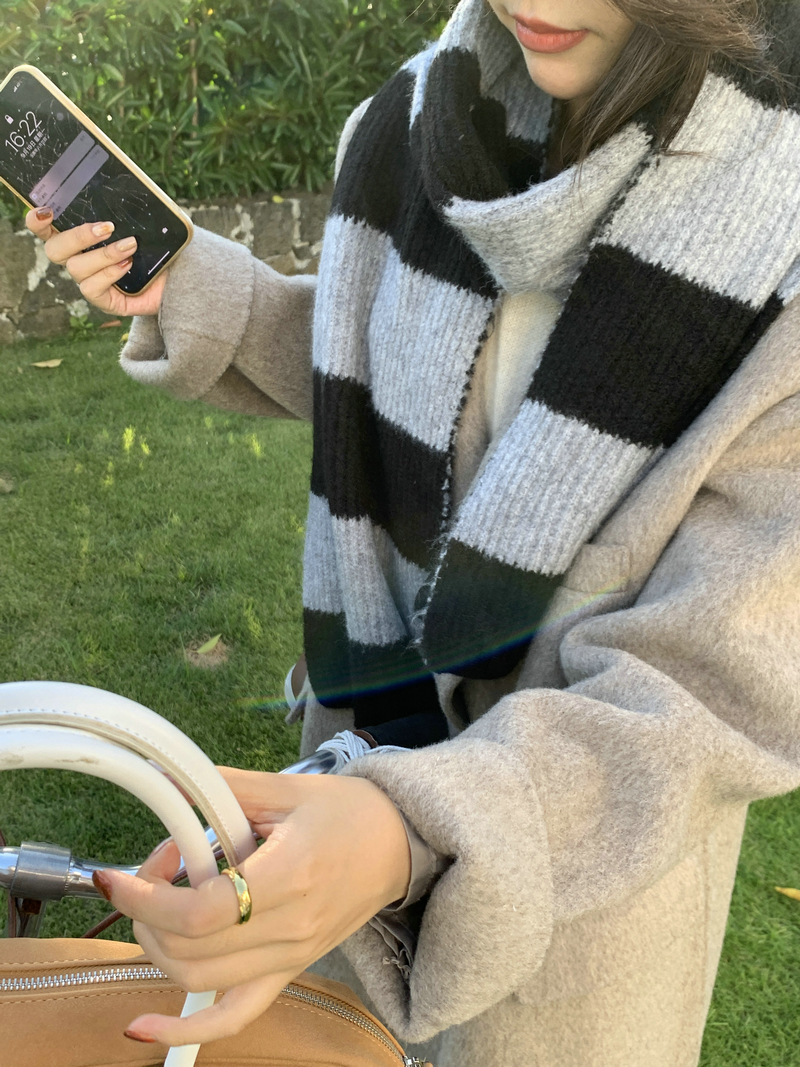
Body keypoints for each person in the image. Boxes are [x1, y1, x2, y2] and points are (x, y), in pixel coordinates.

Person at [25, 1, 800, 1064]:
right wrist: (202, 291)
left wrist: (411, 825)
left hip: (576, 900)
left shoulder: (778, 234)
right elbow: (386, 368)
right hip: (342, 804)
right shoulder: (420, 120)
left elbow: (714, 681)